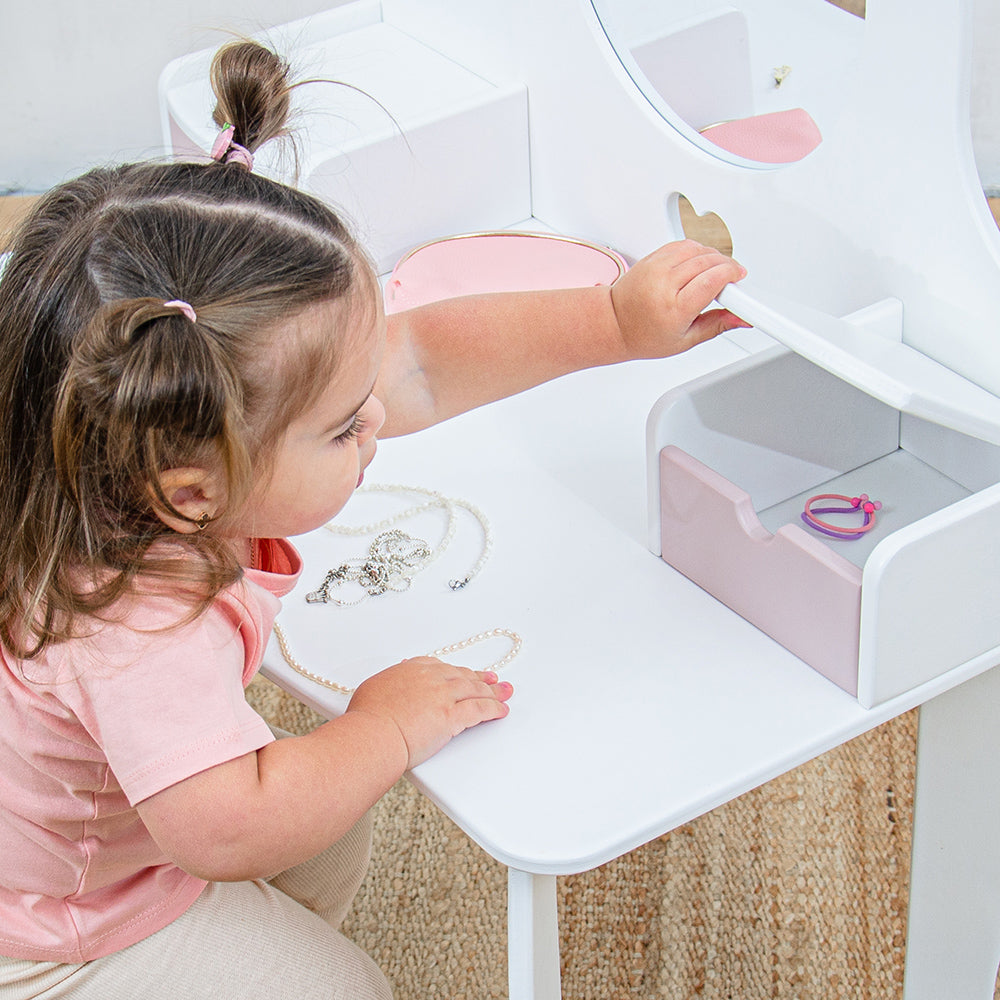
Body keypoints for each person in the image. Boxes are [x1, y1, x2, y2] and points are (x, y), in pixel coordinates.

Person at [0, 39, 748, 1000]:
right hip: (60, 931)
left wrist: (611, 321)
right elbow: (226, 825)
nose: (381, 418)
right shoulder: (136, 628)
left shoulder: (116, 432)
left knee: (322, 813)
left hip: (101, 821)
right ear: (193, 492)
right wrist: (386, 730)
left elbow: (422, 358)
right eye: (345, 427)